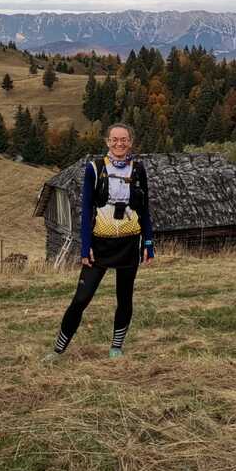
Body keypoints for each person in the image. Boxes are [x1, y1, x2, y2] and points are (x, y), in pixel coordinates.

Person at [43, 122, 154, 362]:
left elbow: (144, 209)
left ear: (130, 142)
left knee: (124, 298)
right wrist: (85, 247)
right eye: (114, 139)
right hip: (99, 245)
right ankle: (58, 350)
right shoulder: (94, 168)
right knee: (81, 298)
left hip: (129, 244)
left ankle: (116, 347)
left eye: (123, 139)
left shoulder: (138, 169)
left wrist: (148, 243)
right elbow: (86, 210)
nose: (119, 143)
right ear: (107, 142)